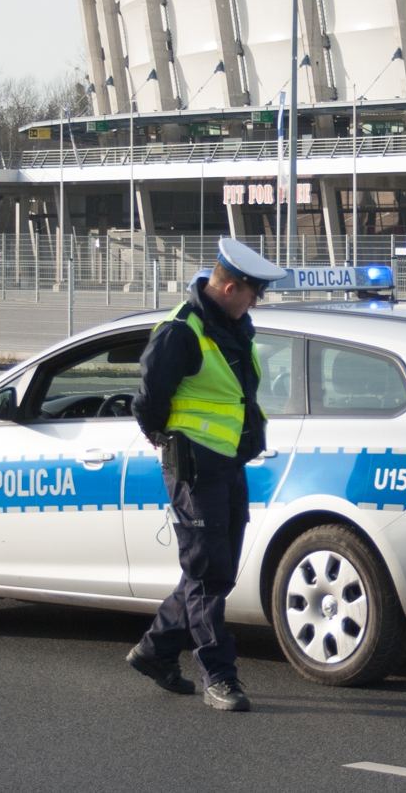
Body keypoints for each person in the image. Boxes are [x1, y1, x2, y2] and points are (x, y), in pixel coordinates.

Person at [125, 237, 285, 711]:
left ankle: (156, 651)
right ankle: (220, 675)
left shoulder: (233, 325)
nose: (257, 302)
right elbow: (148, 401)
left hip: (227, 463)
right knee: (207, 573)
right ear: (230, 286)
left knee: (217, 570)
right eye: (253, 293)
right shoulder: (182, 331)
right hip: (194, 470)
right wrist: (169, 444)